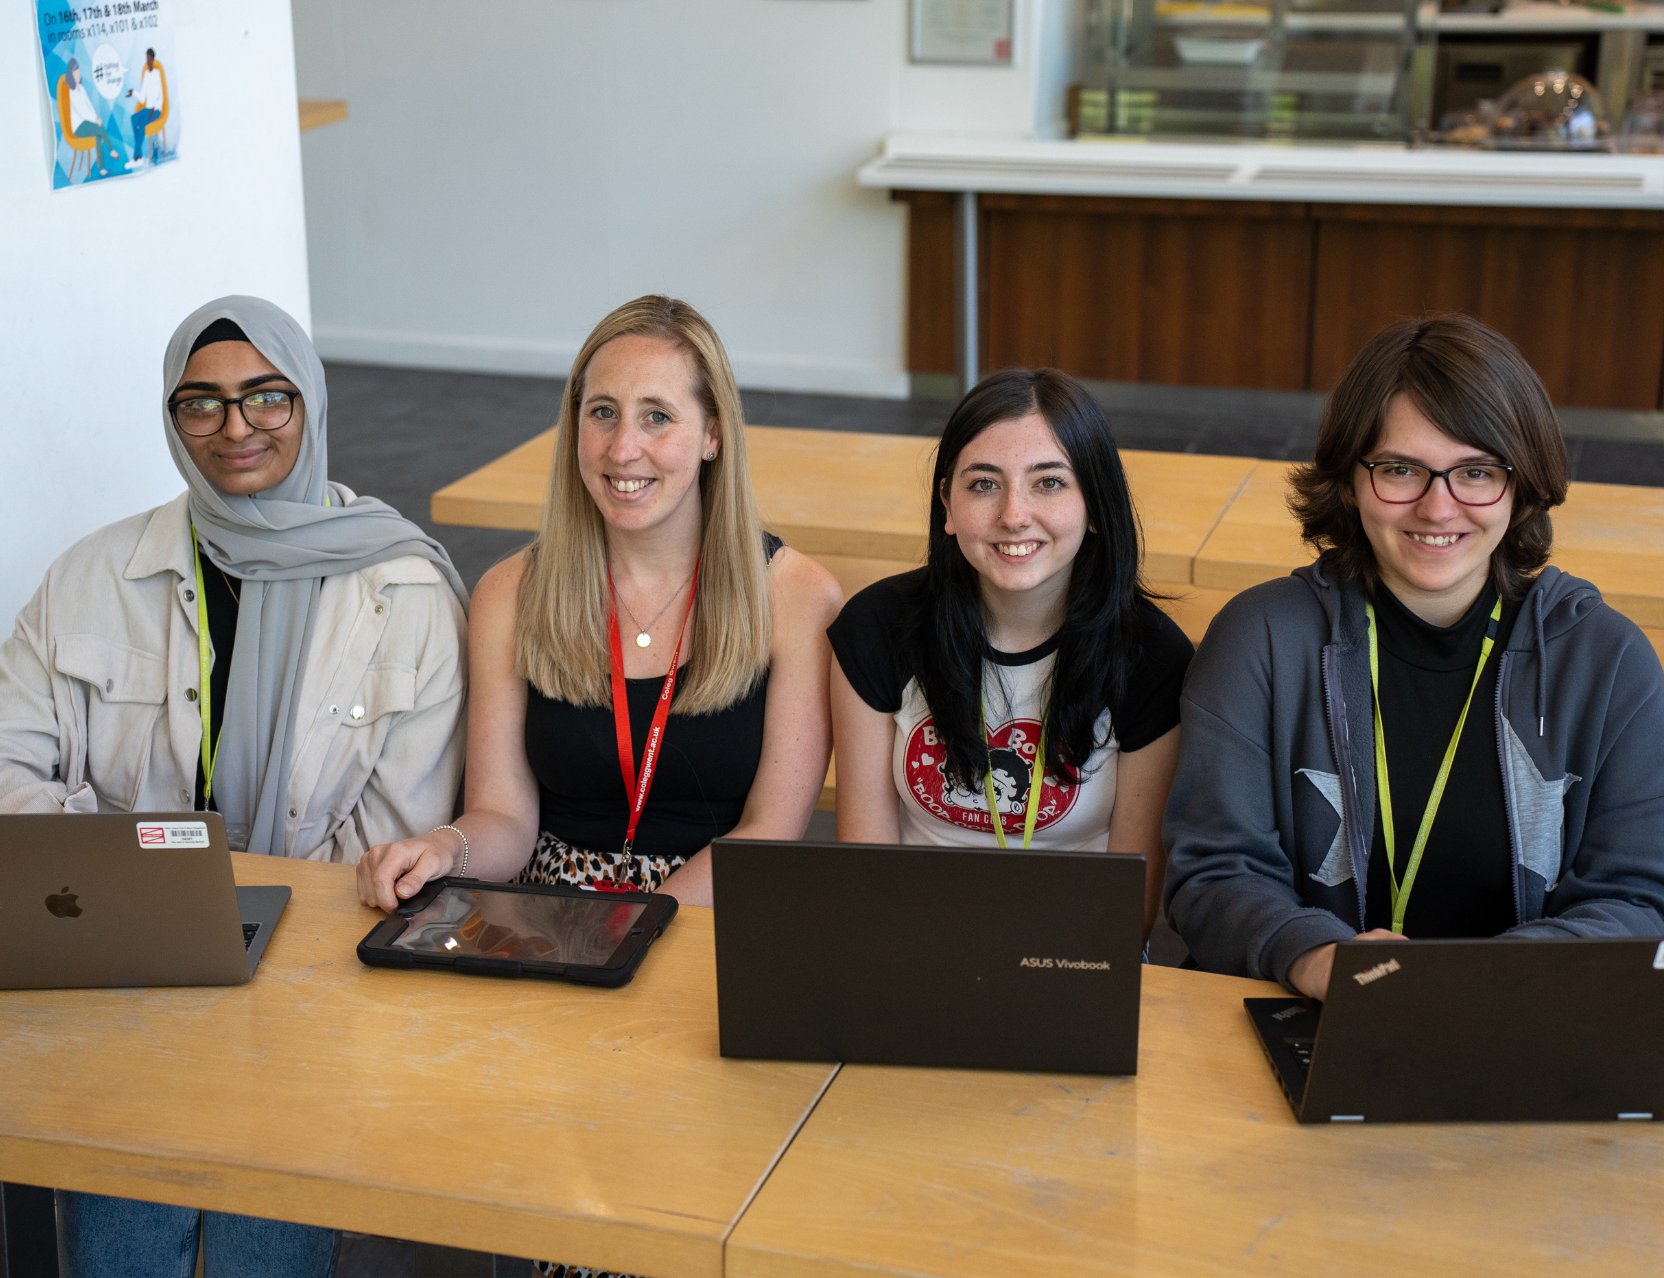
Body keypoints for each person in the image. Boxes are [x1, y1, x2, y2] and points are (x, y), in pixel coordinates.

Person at [0, 295, 469, 1276]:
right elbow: (7, 770)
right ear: (172, 421)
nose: (235, 427)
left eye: (267, 396)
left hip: (308, 987)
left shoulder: (404, 593)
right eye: (200, 404)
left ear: (310, 401)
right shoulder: (90, 577)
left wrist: (238, 935)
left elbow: (397, 839)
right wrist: (139, 890)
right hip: (123, 973)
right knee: (122, 1249)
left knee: (262, 1246)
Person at [1164, 314, 1664, 999]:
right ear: (1348, 479)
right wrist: (1314, 957)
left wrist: (1484, 983)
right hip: (1310, 1010)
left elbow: (1636, 901)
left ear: (1522, 488)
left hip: (1526, 1020)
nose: (1438, 506)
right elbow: (1214, 874)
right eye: (1400, 469)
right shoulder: (1260, 638)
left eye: (1476, 472)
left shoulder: (1607, 661)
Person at [357, 294, 841, 917]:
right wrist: (444, 850)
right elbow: (504, 815)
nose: (621, 449)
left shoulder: (798, 597)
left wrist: (630, 929)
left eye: (657, 417)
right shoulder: (511, 593)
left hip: (710, 914)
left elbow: (768, 834)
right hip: (548, 916)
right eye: (603, 413)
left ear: (713, 434)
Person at [827, 369, 1194, 937]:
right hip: (910, 943)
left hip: (1075, 951)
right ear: (946, 503)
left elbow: (1130, 897)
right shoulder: (878, 628)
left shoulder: (1152, 656)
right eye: (983, 484)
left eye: (1048, 483)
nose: (1014, 514)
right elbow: (867, 868)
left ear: (1095, 503)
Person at [62, 58, 123, 174]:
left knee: (97, 136)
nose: (78, 75)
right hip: (78, 127)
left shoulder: (82, 88)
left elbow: (89, 106)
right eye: (75, 73)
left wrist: (97, 117)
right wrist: (94, 120)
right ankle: (111, 150)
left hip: (88, 122)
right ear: (71, 75)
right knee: (99, 128)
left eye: (78, 72)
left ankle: (102, 169)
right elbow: (81, 111)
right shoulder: (71, 92)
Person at [126, 48, 164, 165]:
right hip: (148, 109)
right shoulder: (146, 75)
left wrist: (154, 107)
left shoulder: (157, 74)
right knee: (134, 118)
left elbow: (161, 97)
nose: (147, 61)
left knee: (141, 124)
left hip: (156, 110)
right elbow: (143, 97)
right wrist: (134, 93)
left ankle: (136, 158)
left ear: (152, 59)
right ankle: (139, 155)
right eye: (146, 59)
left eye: (149, 58)